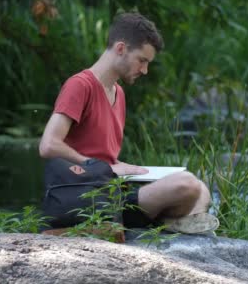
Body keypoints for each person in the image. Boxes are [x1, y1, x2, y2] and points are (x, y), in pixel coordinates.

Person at [39, 12, 218, 234]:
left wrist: (126, 169)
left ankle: (175, 222)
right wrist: (105, 167)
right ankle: (174, 221)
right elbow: (48, 145)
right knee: (187, 185)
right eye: (142, 60)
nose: (144, 70)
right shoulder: (80, 86)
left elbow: (101, 152)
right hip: (92, 197)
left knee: (202, 189)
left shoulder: (119, 94)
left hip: (116, 191)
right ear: (121, 48)